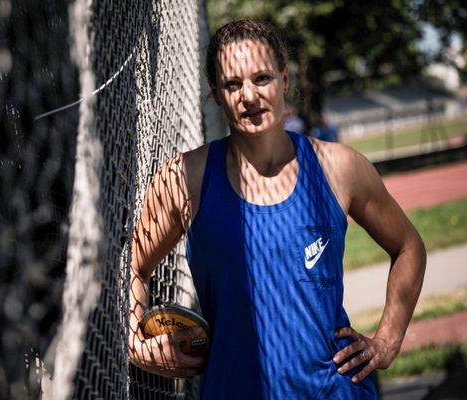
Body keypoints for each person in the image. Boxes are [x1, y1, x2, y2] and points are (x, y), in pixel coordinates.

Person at [128, 19, 426, 399]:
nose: (249, 96)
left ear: (285, 79)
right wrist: (135, 342)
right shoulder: (185, 178)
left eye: (262, 78)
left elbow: (409, 247)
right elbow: (131, 266)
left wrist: (387, 341)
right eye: (233, 84)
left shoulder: (339, 168)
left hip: (334, 391)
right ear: (216, 94)